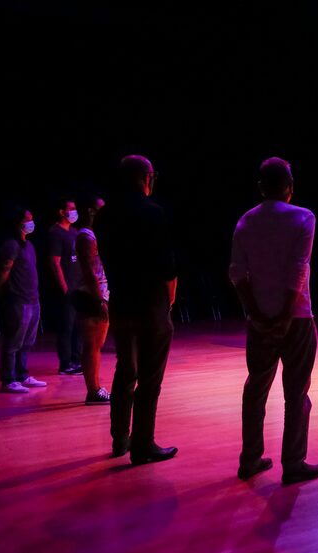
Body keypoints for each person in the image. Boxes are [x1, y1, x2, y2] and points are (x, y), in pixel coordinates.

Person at [230, 156, 318, 485]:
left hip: (259, 320)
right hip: (296, 318)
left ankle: (250, 458)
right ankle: (293, 462)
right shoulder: (303, 217)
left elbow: (237, 274)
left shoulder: (245, 221)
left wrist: (255, 313)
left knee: (255, 388)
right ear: (290, 188)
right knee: (296, 392)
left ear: (260, 187)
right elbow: (298, 269)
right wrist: (285, 314)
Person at [95, 155, 178, 464]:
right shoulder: (152, 213)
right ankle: (143, 444)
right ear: (146, 177)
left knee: (125, 370)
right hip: (150, 303)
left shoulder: (104, 216)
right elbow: (167, 266)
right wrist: (168, 302)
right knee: (150, 377)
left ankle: (120, 438)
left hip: (121, 300)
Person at [0, 207, 47, 393]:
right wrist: (1, 293)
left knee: (27, 341)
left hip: (33, 299)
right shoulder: (11, 245)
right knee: (13, 342)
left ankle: (22, 375)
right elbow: (4, 271)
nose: (31, 222)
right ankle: (9, 379)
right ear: (17, 223)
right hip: (18, 300)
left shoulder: (29, 245)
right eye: (27, 219)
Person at [73, 194, 111, 405]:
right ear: (90, 211)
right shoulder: (86, 236)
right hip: (91, 296)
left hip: (98, 295)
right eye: (100, 208)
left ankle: (95, 388)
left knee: (97, 343)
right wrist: (99, 300)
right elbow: (89, 271)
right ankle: (93, 391)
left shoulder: (95, 234)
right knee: (92, 344)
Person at [48, 196, 83, 375]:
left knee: (78, 326)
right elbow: (55, 262)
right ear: (62, 212)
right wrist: (65, 288)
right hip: (68, 289)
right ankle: (66, 364)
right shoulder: (55, 233)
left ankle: (77, 361)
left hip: (78, 288)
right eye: (71, 208)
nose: (74, 212)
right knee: (66, 327)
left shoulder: (74, 232)